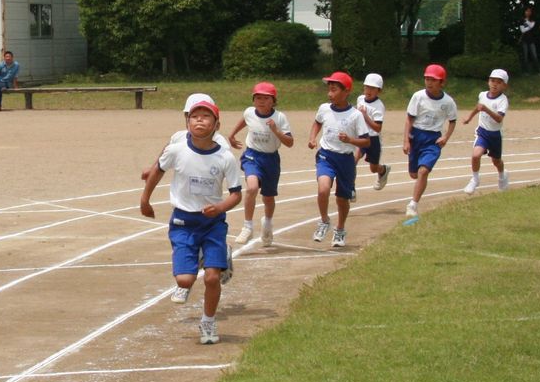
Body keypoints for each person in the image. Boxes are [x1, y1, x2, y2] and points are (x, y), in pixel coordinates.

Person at [140, 94, 242, 345]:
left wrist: (219, 208)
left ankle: (208, 321)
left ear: (216, 125)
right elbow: (156, 172)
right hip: (183, 221)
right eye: (194, 117)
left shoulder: (225, 157)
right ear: (187, 123)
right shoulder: (176, 149)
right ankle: (199, 259)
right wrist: (145, 199)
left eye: (206, 117)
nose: (199, 121)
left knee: (211, 277)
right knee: (184, 280)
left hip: (213, 223)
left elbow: (237, 194)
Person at [308, 71, 370, 248]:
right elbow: (317, 122)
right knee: (323, 189)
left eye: (334, 90)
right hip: (326, 155)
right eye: (329, 89)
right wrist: (313, 138)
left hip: (345, 160)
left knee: (342, 199)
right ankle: (324, 220)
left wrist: (350, 140)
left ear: (346, 91)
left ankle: (340, 228)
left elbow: (366, 140)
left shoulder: (355, 115)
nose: (330, 93)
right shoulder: (324, 108)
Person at [227, 81, 292, 247]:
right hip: (252, 155)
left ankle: (267, 223)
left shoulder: (279, 118)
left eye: (265, 98)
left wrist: (276, 130)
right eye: (258, 98)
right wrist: (232, 135)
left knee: (268, 197)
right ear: (253, 100)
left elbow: (290, 142)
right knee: (252, 187)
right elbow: (244, 120)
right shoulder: (249, 112)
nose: (261, 101)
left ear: (273, 101)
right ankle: (247, 226)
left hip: (270, 159)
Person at [402, 63, 458, 220]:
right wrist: (406, 140)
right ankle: (418, 187)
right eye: (427, 79)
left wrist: (446, 137)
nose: (429, 82)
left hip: (433, 139)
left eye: (433, 80)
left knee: (423, 171)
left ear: (442, 82)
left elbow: (453, 121)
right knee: (414, 174)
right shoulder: (418, 96)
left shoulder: (448, 102)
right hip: (416, 136)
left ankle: (413, 204)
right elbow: (409, 119)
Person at [461, 69, 511, 195]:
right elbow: (478, 107)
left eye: (499, 82)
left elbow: (499, 118)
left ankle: (502, 176)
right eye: (492, 81)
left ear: (504, 86)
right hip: (482, 132)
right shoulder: (482, 95)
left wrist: (486, 110)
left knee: (496, 161)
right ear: (488, 81)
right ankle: (475, 179)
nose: (494, 84)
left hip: (495, 135)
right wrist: (469, 117)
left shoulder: (502, 100)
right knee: (475, 155)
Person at [355, 73, 390, 191]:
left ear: (378, 91)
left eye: (372, 88)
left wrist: (365, 116)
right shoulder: (360, 99)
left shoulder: (379, 106)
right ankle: (350, 188)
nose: (368, 90)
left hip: (373, 139)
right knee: (354, 159)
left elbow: (377, 128)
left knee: (373, 168)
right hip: (361, 136)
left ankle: (383, 170)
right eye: (367, 87)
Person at [518, 7, 540, 73]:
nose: (528, 12)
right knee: (525, 56)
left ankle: (537, 71)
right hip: (524, 40)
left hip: (532, 40)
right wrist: (528, 25)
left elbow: (532, 26)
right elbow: (522, 30)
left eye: (529, 11)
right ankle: (526, 71)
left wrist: (526, 22)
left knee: (534, 55)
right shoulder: (521, 20)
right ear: (524, 12)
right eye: (527, 11)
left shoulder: (532, 19)